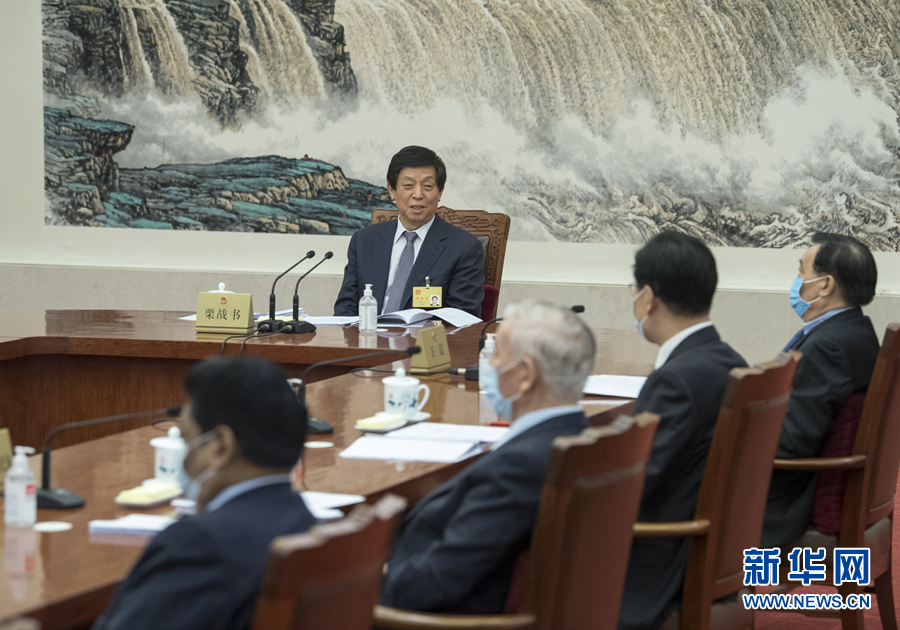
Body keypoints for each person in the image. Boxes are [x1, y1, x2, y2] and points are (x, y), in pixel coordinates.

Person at [381, 300, 594, 614]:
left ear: (525, 375)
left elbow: (437, 581)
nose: (488, 364)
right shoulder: (581, 439)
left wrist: (353, 586)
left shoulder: (519, 467)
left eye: (495, 354)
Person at [93, 357, 314, 630]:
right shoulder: (304, 519)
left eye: (186, 438)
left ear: (220, 447)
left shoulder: (199, 545)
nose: (184, 456)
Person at [619, 232, 747, 630]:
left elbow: (634, 485)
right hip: (707, 552)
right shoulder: (730, 361)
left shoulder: (675, 381)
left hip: (656, 565)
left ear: (648, 297)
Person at [762, 233, 879, 547]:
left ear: (825, 285)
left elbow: (790, 443)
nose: (797, 280)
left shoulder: (828, 347)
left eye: (802, 271)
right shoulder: (856, 331)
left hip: (782, 505)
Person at [333, 146, 485, 317]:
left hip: (425, 334)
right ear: (391, 190)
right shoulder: (364, 241)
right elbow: (345, 309)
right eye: (408, 185)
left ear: (440, 191)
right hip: (368, 332)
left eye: (427, 186)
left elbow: (462, 318)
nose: (418, 194)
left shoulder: (463, 248)